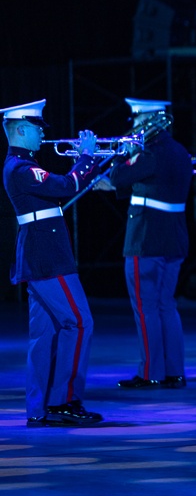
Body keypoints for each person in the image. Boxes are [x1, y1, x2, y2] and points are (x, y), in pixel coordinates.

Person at [2, 99, 103, 427]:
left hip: (40, 254)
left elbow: (66, 190)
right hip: (48, 256)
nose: (42, 134)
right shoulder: (20, 168)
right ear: (20, 129)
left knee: (43, 334)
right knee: (80, 322)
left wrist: (88, 163)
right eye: (36, 128)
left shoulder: (22, 167)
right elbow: (64, 186)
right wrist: (86, 156)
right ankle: (64, 402)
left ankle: (39, 407)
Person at [94, 98, 192, 390]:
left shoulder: (149, 152)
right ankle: (173, 371)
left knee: (145, 307)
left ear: (150, 120)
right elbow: (151, 183)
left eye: (137, 120)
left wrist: (122, 156)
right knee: (166, 306)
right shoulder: (178, 151)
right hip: (173, 238)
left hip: (146, 239)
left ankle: (151, 372)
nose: (134, 126)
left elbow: (119, 174)